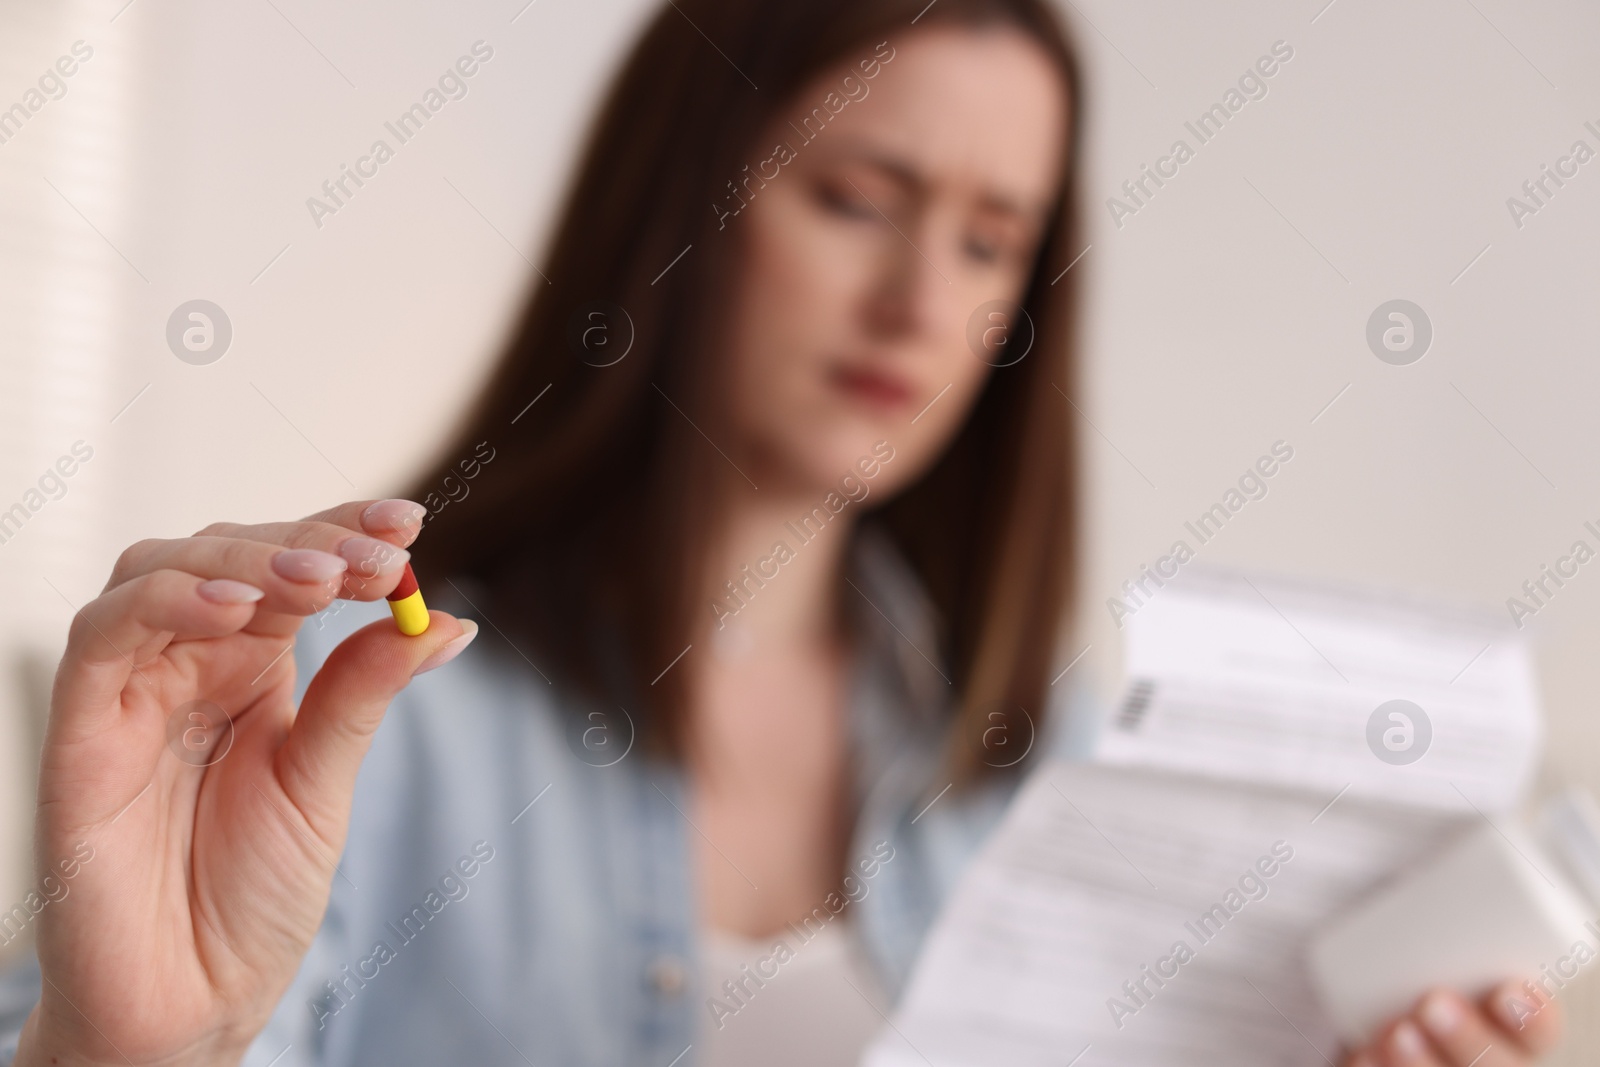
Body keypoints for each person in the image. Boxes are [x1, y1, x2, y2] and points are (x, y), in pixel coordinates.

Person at [0, 0, 1566, 1064]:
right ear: (683, 203)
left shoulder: (1042, 753)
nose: (921, 303)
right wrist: (122, 1054)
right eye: (860, 198)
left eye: (989, 242)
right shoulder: (349, 700)